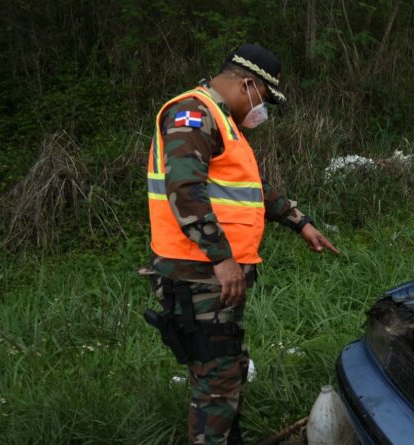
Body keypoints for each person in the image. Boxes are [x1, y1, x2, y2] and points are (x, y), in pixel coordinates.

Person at [144, 44, 339, 445]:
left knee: (227, 370)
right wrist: (222, 258)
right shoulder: (194, 115)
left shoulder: (224, 122)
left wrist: (300, 223)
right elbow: (184, 188)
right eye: (264, 98)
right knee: (216, 383)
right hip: (197, 274)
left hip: (212, 276)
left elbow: (251, 189)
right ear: (248, 83)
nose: (261, 109)